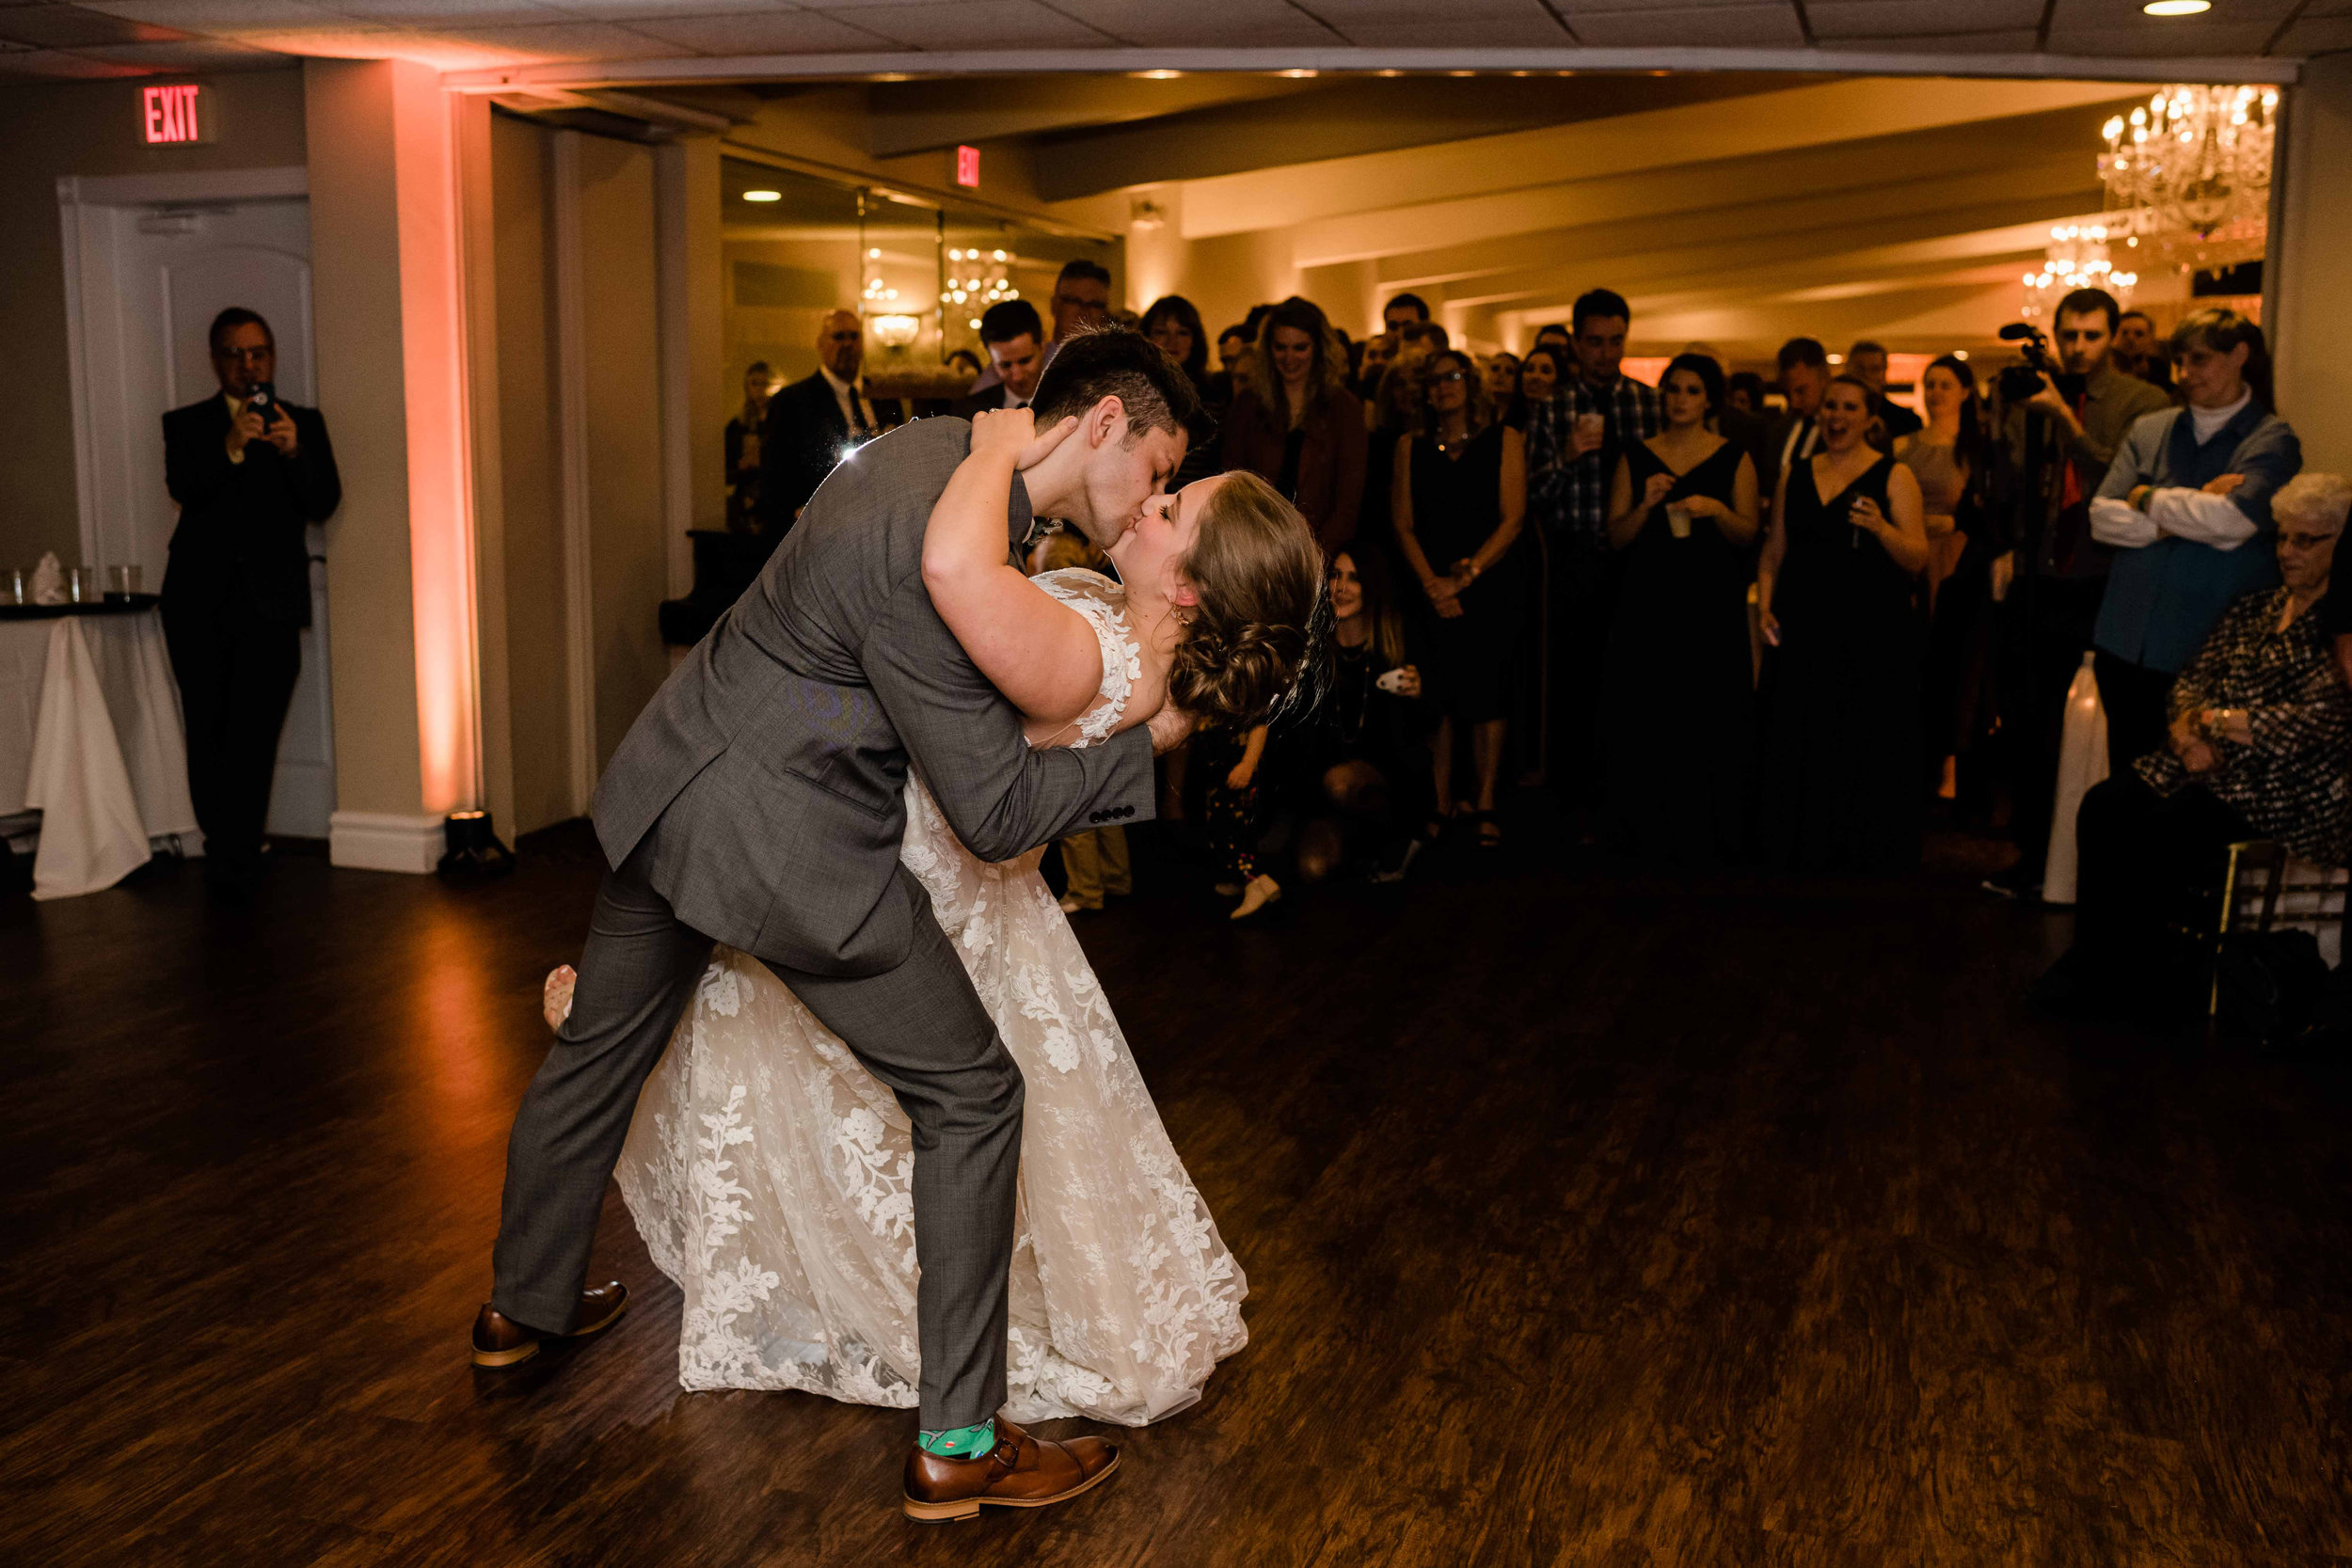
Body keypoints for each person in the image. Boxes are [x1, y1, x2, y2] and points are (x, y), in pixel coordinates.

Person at [477, 329, 1287, 1523]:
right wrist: (1149, 745)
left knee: (602, 1043)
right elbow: (996, 809)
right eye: (1158, 467)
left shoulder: (930, 452)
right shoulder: (954, 546)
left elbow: (830, 646)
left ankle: (520, 1306)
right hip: (791, 843)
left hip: (680, 769)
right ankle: (960, 1441)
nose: (1154, 496)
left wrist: (837, 704)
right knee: (973, 1094)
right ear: (1102, 425)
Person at [2039, 473, 2352, 1019]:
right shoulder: (2255, 607)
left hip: (2284, 785)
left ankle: (2126, 979)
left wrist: (2214, 723)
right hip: (2202, 760)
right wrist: (2187, 733)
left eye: (2307, 540)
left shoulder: (2339, 625)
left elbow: (2320, 720)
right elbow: (2191, 677)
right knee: (2105, 807)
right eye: (2282, 538)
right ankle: (2109, 966)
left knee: (2165, 828)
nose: (2288, 551)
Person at [1983, 286, 2176, 899]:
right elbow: (2017, 487)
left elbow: (2120, 481)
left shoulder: (2143, 402)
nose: (2077, 347)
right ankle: (2034, 856)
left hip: (2109, 579)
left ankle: (2111, 874)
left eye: (2092, 335)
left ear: (2113, 336)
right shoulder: (2031, 394)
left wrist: (2064, 421)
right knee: (2029, 722)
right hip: (2043, 577)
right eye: (2069, 334)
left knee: (2118, 729)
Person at [161, 307, 342, 900]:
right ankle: (225, 849)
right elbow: (188, 489)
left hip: (271, 606)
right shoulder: (187, 426)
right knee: (208, 728)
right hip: (199, 605)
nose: (248, 365)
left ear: (271, 357)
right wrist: (232, 448)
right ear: (217, 362)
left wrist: (294, 453)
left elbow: (323, 501)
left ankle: (243, 846)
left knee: (256, 733)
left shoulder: (302, 422)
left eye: (258, 353)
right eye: (236, 354)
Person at [2088, 307, 2302, 776]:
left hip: (2208, 654)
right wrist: (2191, 507)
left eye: (2199, 360)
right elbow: (2100, 520)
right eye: (2179, 361)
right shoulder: (2151, 428)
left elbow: (2231, 523)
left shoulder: (2271, 439)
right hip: (2124, 644)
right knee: (2128, 789)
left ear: (2240, 355)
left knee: (2189, 801)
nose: (2185, 374)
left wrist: (2145, 497)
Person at [1756, 374, 1931, 872]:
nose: (1836, 416)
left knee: (1860, 736)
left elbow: (1917, 557)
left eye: (1848, 407)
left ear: (1869, 417)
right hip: (1804, 624)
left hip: (1870, 629)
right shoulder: (1795, 473)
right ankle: (1800, 844)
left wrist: (1881, 527)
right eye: (1830, 406)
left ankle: (1860, 847)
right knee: (1802, 734)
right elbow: (1773, 553)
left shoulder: (1894, 476)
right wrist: (1766, 607)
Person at [1598, 353, 1759, 868]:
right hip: (1649, 603)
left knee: (1709, 713)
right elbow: (1616, 538)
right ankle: (1646, 830)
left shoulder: (1734, 457)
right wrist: (1644, 505)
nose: (1680, 399)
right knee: (1650, 714)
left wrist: (1717, 510)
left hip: (1711, 603)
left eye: (1691, 390)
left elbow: (1749, 533)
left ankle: (1712, 831)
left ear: (1708, 398)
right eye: (1673, 390)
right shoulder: (1635, 456)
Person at [1524, 288, 1661, 804]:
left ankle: (1628, 787)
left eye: (1616, 341)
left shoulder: (1648, 404)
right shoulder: (1554, 407)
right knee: (1574, 676)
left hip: (1636, 558)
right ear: (1576, 345)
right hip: (1574, 554)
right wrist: (1565, 455)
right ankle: (1574, 794)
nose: (1606, 353)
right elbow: (1532, 496)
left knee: (1633, 675)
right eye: (1596, 342)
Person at [1393, 348, 1529, 849]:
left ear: (1470, 383)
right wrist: (1433, 583)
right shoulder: (1411, 444)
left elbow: (1513, 517)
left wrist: (1464, 577)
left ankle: (1487, 798)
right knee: (1437, 695)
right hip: (1428, 582)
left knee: (1488, 692)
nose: (1442, 387)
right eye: (1432, 381)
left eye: (1451, 377)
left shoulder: (1505, 439)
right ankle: (1441, 800)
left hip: (1489, 582)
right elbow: (1402, 522)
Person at [1291, 546, 1430, 883]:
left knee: (1343, 781)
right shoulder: (1315, 649)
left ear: (1372, 585)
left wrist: (1419, 694)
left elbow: (1427, 730)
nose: (1340, 588)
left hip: (1389, 782)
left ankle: (1402, 841)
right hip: (1329, 793)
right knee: (1312, 868)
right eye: (1335, 575)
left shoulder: (1396, 640)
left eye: (1354, 578)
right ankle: (1370, 852)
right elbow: (1301, 739)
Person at [1899, 355, 1994, 798]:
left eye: (1945, 384)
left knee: (1956, 660)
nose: (1936, 392)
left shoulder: (1976, 447)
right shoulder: (1903, 446)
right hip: (1911, 556)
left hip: (1956, 558)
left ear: (1964, 393)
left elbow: (1980, 512)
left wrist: (1948, 525)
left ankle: (1952, 767)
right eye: (1930, 384)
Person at [1222, 295, 1368, 555]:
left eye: (1300, 348)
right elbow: (1230, 480)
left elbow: (1348, 500)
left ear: (1318, 349)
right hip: (1254, 546)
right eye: (1281, 347)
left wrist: (1317, 553)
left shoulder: (1344, 408)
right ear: (1268, 349)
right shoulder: (1248, 405)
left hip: (1320, 549)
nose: (1289, 358)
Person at [759, 309, 874, 532]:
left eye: (854, 336)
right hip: (818, 528)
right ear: (820, 344)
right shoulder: (792, 401)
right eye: (838, 337)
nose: (847, 344)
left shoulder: (881, 395)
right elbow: (774, 474)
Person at [1760, 337, 1831, 507]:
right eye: (1787, 393)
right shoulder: (1780, 428)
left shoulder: (1845, 429)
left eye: (1801, 391)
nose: (1793, 402)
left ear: (1824, 378)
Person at [952, 299, 1047, 417]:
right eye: (1005, 365)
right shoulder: (969, 413)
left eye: (1025, 361)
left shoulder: (1071, 401)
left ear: (1042, 344)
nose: (1017, 377)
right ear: (991, 357)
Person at [724, 361, 776, 532]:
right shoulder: (738, 426)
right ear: (747, 386)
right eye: (755, 383)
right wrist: (740, 467)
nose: (759, 389)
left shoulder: (779, 422)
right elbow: (724, 470)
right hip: (745, 501)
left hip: (773, 498)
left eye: (764, 383)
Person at [1846, 340, 1925, 442]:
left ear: (1884, 374)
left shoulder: (1907, 421)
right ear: (1848, 371)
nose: (1866, 375)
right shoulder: (1833, 417)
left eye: (1874, 369)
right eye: (1860, 369)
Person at [2112, 309, 2175, 394]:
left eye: (2139, 334)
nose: (2130, 339)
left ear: (2151, 340)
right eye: (2124, 333)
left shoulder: (2163, 382)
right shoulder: (2104, 374)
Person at [1486, 351, 1526, 429]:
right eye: (1495, 369)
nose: (1501, 374)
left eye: (1509, 371)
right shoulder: (1488, 413)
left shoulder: (1522, 417)